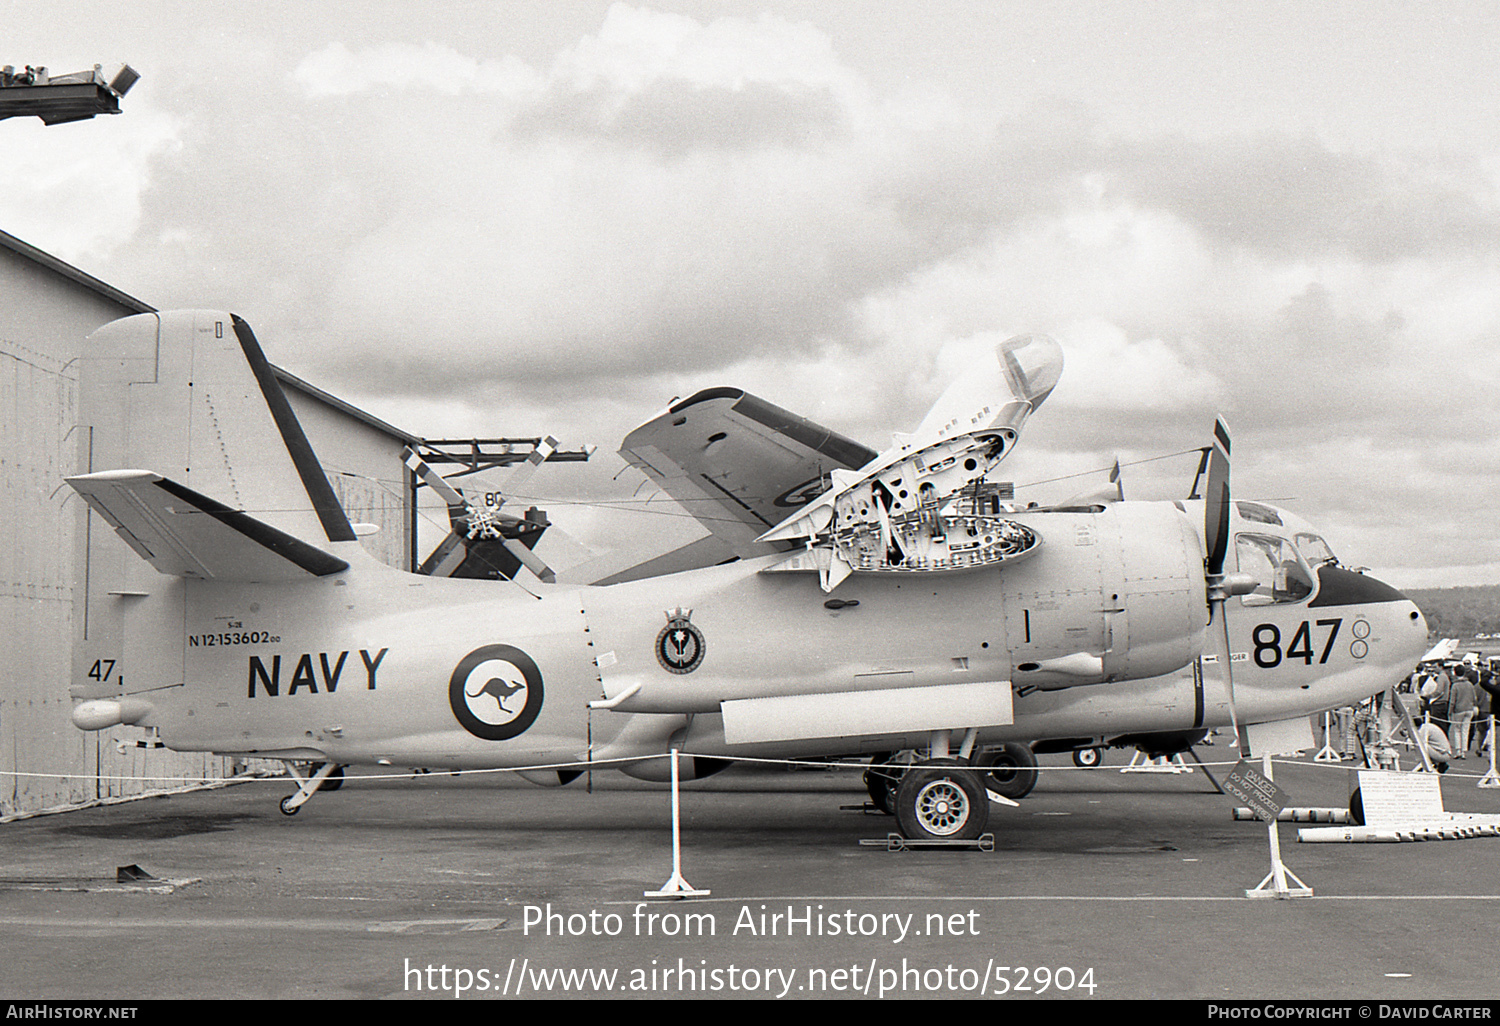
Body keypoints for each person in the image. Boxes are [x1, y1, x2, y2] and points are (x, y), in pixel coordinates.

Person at [1449, 669, 1477, 759]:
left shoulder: (1455, 685)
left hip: (1459, 710)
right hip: (1469, 709)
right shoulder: (1470, 684)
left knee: (1457, 730)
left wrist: (1450, 711)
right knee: (1465, 730)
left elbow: (1452, 700)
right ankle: (1464, 751)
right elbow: (1474, 697)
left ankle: (1458, 750)